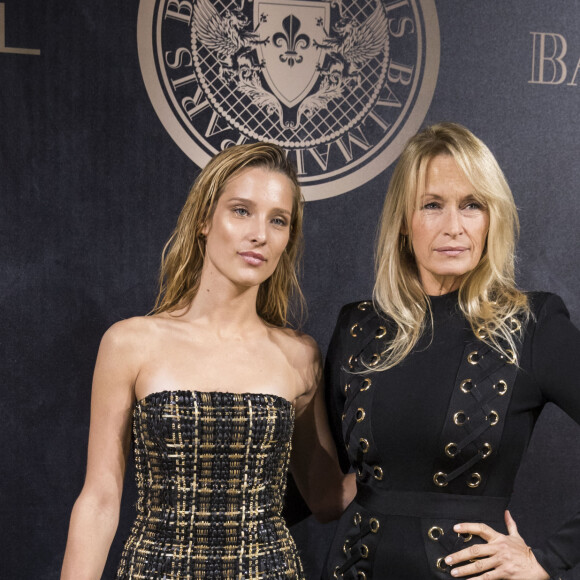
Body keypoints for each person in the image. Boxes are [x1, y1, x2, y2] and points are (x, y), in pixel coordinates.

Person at [61, 142, 354, 579]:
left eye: (278, 220)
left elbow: (327, 499)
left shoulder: (299, 354)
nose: (260, 234)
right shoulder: (130, 343)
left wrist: (411, 463)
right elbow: (101, 498)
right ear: (204, 219)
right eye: (241, 211)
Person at [324, 123, 580, 579]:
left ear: (491, 218)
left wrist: (550, 561)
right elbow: (321, 486)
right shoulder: (358, 326)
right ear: (404, 222)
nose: (454, 227)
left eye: (472, 205)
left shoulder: (531, 324)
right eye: (432, 206)